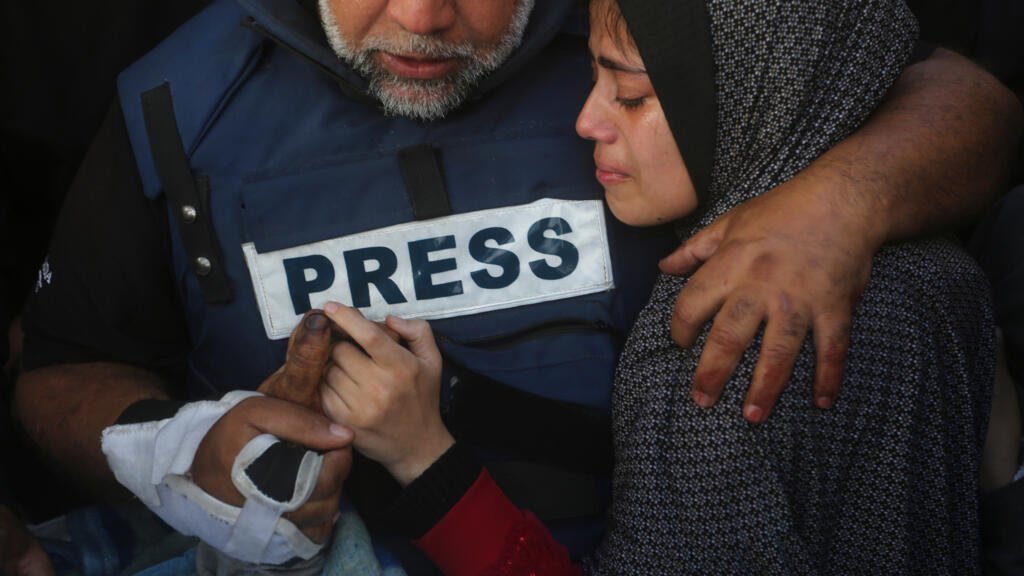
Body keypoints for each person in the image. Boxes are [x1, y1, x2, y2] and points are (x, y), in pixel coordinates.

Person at [12, 0, 1020, 572]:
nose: (418, 14)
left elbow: (930, 83)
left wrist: (841, 202)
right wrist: (180, 449)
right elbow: (58, 371)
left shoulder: (639, 23)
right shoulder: (177, 99)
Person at [320, 0, 1006, 574]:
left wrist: (424, 461)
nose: (586, 121)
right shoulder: (939, 274)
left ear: (750, 90)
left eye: (632, 95)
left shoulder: (727, 339)